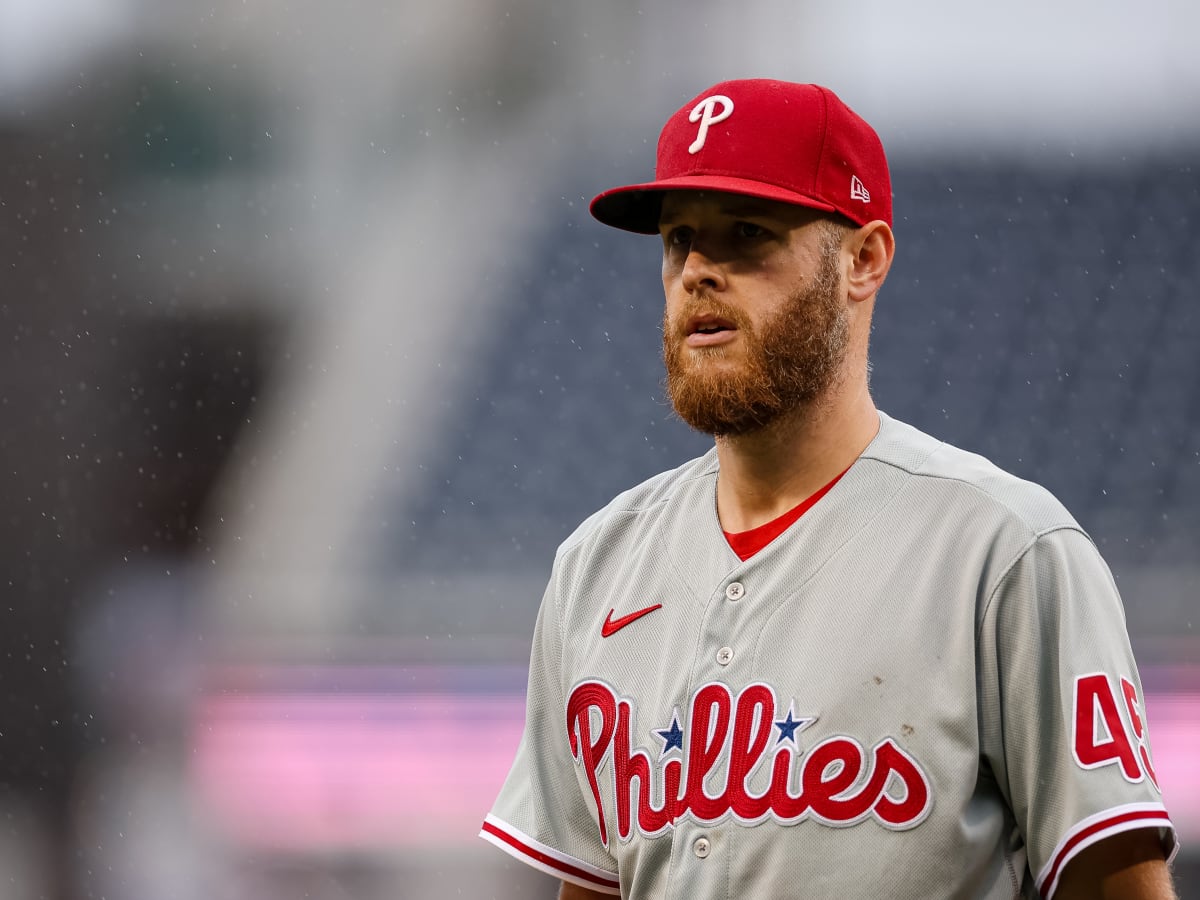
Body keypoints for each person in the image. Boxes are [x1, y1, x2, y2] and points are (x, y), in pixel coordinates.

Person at [479, 78, 1178, 899]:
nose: (697, 271)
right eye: (677, 240)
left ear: (864, 258)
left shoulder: (1005, 552)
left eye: (745, 234)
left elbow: (1117, 884)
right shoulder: (596, 564)